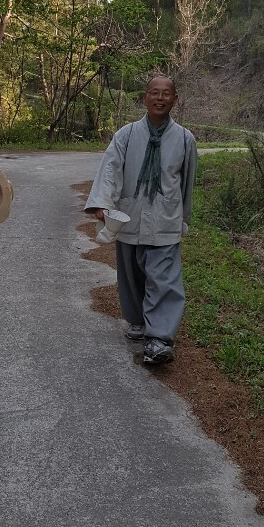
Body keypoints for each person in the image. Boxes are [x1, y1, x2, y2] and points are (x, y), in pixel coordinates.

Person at [84, 75, 197, 364]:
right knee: (132, 275)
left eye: (166, 94)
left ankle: (159, 339)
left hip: (165, 219)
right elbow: (110, 170)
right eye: (154, 93)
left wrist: (182, 217)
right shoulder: (126, 135)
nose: (160, 98)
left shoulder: (185, 139)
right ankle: (137, 320)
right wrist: (102, 203)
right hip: (129, 217)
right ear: (145, 98)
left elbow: (186, 183)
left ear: (175, 99)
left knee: (165, 279)